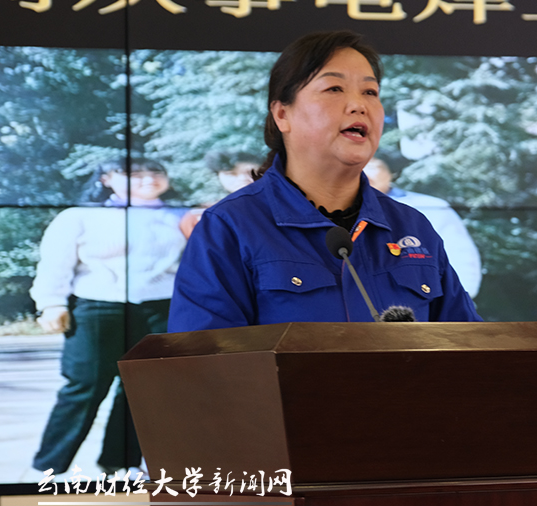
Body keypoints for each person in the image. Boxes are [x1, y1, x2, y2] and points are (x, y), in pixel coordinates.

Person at [169, 31, 482, 331]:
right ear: (282, 114)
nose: (359, 105)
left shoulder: (411, 227)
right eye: (334, 88)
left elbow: (466, 347)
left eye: (370, 92)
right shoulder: (230, 227)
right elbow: (206, 358)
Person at [30, 158, 186, 476]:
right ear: (106, 179)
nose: (148, 179)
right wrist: (51, 303)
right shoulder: (79, 216)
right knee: (84, 385)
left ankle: (121, 463)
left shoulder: (182, 216)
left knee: (144, 388)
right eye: (134, 174)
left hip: (162, 308)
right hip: (97, 308)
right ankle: (49, 468)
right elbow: (55, 263)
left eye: (155, 172)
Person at [363, 158, 483, 298]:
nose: (364, 173)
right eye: (356, 166)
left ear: (391, 173)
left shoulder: (431, 206)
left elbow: (460, 256)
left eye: (371, 166)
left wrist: (458, 300)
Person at [179, 150, 261, 238]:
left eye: (250, 172)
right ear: (219, 176)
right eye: (231, 173)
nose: (242, 178)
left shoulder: (270, 206)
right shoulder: (202, 217)